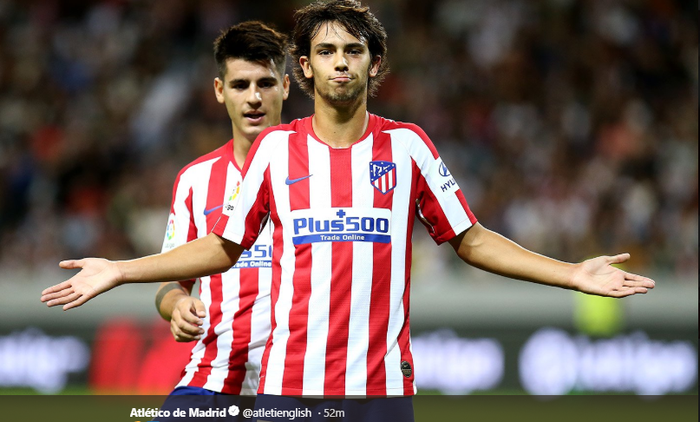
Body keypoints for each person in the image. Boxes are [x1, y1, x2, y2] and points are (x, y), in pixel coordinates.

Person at [42, 1, 654, 420]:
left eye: (354, 49)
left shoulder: (408, 146)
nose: (341, 60)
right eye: (327, 50)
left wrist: (572, 273)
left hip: (383, 391)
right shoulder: (278, 151)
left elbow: (470, 239)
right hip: (289, 389)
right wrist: (124, 270)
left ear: (374, 64)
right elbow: (222, 247)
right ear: (304, 69)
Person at [152, 20, 289, 412]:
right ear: (219, 91)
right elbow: (169, 285)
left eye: (265, 83)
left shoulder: (321, 173)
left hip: (295, 386)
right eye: (240, 85)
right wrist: (177, 306)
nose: (253, 98)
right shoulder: (195, 180)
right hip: (212, 379)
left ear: (286, 86)